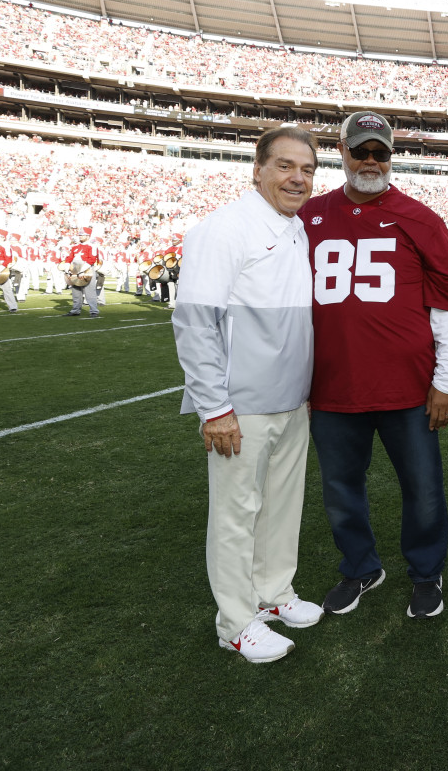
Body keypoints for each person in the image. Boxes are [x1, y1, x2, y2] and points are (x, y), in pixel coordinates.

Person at [302, 110, 448, 620]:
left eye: (380, 152)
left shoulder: (420, 218)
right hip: (332, 385)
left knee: (422, 489)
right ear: (342, 151)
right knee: (340, 490)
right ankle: (360, 567)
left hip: (407, 386)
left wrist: (446, 382)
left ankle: (426, 572)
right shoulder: (309, 216)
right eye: (361, 150)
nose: (370, 161)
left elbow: (447, 304)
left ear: (390, 157)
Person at [171, 127, 323, 664]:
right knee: (236, 514)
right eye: (284, 166)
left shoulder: (297, 229)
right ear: (256, 170)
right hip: (240, 405)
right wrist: (215, 407)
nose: (297, 178)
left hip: (292, 400)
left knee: (282, 508)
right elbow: (194, 322)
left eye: (306, 169)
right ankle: (235, 621)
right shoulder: (223, 228)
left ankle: (273, 593)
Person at [61, 226, 102, 317]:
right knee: (75, 291)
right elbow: (68, 259)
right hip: (75, 270)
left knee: (89, 292)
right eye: (79, 234)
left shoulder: (92, 246)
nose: (80, 236)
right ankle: (75, 310)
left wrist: (82, 271)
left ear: (88, 236)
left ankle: (94, 311)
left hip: (87, 271)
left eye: (82, 235)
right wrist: (67, 269)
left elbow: (91, 260)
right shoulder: (75, 246)